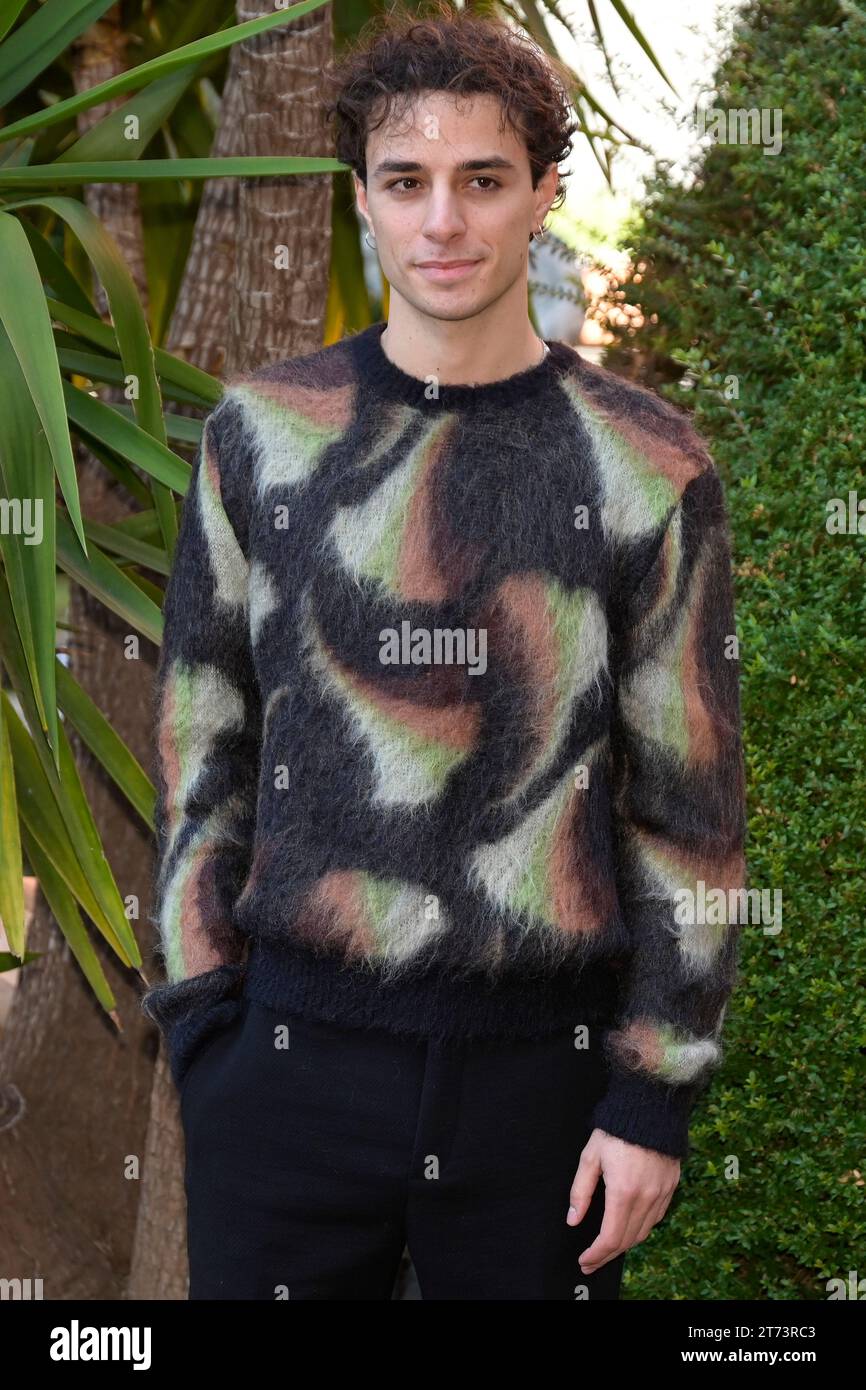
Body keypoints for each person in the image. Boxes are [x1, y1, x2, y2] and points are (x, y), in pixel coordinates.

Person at [141, 3, 747, 1301]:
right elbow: (204, 737)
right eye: (404, 182)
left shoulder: (647, 465)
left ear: (539, 195)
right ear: (359, 198)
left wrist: (652, 1097)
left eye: (482, 181)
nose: (441, 222)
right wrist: (204, 1029)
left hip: (546, 1082)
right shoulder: (262, 437)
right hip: (287, 1071)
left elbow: (686, 804)